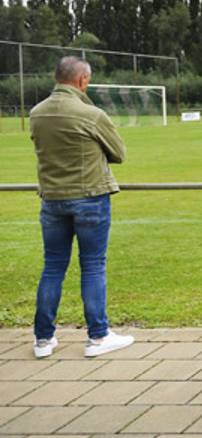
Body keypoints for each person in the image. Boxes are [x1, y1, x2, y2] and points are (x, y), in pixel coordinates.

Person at [29, 57, 135, 358]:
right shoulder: (91, 114)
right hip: (90, 197)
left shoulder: (37, 113)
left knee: (52, 267)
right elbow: (119, 152)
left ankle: (43, 340)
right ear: (82, 81)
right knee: (92, 265)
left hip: (52, 199)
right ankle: (98, 337)